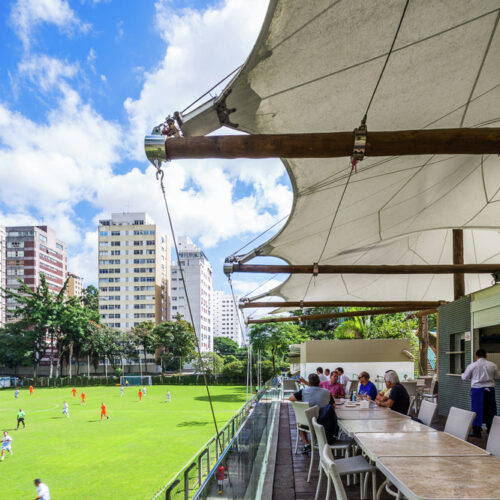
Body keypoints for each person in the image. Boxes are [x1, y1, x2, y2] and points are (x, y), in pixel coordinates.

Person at [289, 373, 332, 453]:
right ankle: (324, 442)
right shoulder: (327, 392)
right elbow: (333, 405)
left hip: (308, 423)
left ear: (309, 382)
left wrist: (302, 401)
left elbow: (291, 398)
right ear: (319, 382)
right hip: (324, 423)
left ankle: (306, 444)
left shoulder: (304, 391)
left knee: (300, 423)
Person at [462, 348, 499, 437]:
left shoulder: (472, 366)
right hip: (490, 390)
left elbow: (464, 377)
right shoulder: (493, 365)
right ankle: (490, 429)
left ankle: (476, 431)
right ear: (486, 356)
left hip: (477, 390)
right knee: (491, 409)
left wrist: (470, 377)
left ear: (476, 356)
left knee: (476, 409)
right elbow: (497, 376)